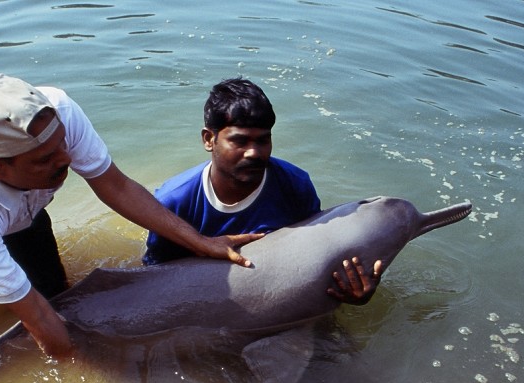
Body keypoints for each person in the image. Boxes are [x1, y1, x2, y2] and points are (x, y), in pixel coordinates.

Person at [0, 74, 262, 359]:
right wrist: (82, 379)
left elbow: (116, 187)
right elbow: (36, 320)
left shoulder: (59, 112)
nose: (66, 159)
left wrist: (202, 242)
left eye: (62, 144)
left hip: (23, 211)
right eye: (46, 159)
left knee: (61, 301)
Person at [143, 77, 382, 304]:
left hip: (279, 300)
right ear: (209, 139)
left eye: (262, 140)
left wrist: (352, 290)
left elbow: (316, 258)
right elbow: (154, 281)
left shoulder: (294, 185)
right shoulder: (173, 201)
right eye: (240, 141)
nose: (254, 153)